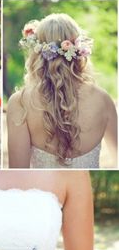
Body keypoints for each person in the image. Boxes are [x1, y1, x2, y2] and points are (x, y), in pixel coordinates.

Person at [7, 13, 117, 169]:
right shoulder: (103, 100)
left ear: (37, 51)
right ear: (78, 47)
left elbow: (17, 172)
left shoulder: (20, 103)